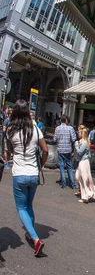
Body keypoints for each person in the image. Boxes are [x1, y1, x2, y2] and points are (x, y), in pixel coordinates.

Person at [3, 99, 48, 256]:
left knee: (21, 208)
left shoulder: (10, 130)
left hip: (19, 173)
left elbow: (9, 149)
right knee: (29, 205)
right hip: (33, 174)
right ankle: (30, 233)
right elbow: (45, 150)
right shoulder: (35, 129)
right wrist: (40, 165)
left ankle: (35, 239)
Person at [74, 126, 95, 203]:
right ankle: (91, 193)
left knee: (83, 179)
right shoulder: (85, 141)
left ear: (82, 133)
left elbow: (80, 152)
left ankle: (86, 196)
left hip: (83, 162)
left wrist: (76, 145)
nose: (78, 133)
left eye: (79, 132)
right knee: (81, 177)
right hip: (84, 161)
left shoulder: (83, 142)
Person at [55, 115, 77, 189]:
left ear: (60, 120)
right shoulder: (70, 128)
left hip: (60, 149)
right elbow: (74, 139)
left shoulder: (57, 128)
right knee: (69, 167)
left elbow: (55, 139)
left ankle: (63, 183)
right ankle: (73, 184)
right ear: (66, 120)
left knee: (61, 166)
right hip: (68, 149)